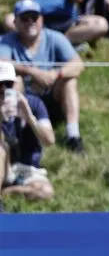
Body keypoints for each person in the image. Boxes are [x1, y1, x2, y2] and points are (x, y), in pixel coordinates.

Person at [0, 0, 85, 153]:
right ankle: (12, 130)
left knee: (70, 81)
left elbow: (78, 64)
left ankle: (73, 135)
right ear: (15, 22)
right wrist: (33, 72)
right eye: (25, 18)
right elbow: (2, 63)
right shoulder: (7, 41)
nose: (30, 22)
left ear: (42, 20)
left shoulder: (55, 37)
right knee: (14, 79)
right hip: (24, 99)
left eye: (34, 17)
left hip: (52, 95)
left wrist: (56, 74)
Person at [0, 60, 55, 202]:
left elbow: (49, 141)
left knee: (45, 192)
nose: (6, 90)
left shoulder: (34, 103)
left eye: (9, 84)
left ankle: (7, 192)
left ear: (20, 82)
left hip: (27, 170)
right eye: (1, 86)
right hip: (3, 166)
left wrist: (30, 117)